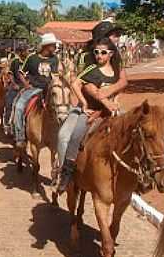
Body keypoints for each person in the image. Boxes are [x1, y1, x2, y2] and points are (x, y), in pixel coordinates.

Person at [56, 37, 127, 194]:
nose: (99, 55)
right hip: (92, 111)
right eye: (96, 52)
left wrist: (116, 100)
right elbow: (75, 84)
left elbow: (119, 88)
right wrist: (84, 104)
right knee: (76, 135)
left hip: (110, 111)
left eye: (103, 52)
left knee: (131, 130)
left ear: (111, 54)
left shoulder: (116, 71)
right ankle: (67, 173)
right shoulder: (92, 69)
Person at [12, 33, 61, 147]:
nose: (55, 47)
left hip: (49, 90)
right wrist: (26, 85)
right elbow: (21, 73)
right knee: (19, 107)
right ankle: (20, 137)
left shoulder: (55, 59)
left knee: (62, 106)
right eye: (53, 45)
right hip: (33, 89)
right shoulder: (32, 58)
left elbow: (55, 76)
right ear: (46, 46)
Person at [4, 44, 28, 136]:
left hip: (28, 87)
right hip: (17, 86)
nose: (27, 52)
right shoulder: (15, 62)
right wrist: (14, 84)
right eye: (26, 51)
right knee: (10, 103)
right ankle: (7, 124)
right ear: (21, 52)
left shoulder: (29, 61)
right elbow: (10, 74)